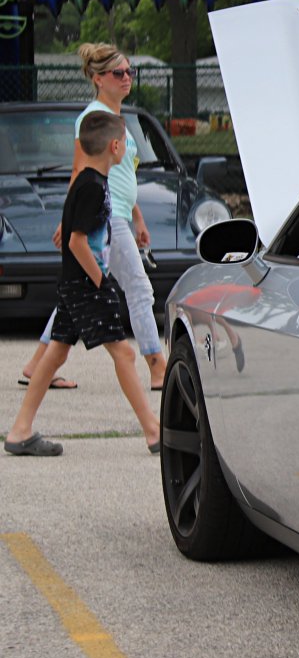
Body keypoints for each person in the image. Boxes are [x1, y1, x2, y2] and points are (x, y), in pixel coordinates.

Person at [5, 111, 162, 456]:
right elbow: (76, 242)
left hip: (75, 285)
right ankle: (153, 431)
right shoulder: (92, 187)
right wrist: (101, 281)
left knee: (56, 352)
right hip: (87, 285)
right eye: (127, 145)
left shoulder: (89, 182)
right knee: (123, 352)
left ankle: (19, 431)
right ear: (115, 147)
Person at [18, 43, 168, 391]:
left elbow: (124, 173)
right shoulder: (92, 118)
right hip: (105, 216)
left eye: (130, 71)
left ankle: (36, 364)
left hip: (118, 213)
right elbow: (79, 168)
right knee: (139, 289)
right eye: (119, 73)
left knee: (77, 294)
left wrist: (139, 217)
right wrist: (68, 220)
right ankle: (156, 363)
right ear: (98, 79)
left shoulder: (119, 120)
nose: (127, 77)